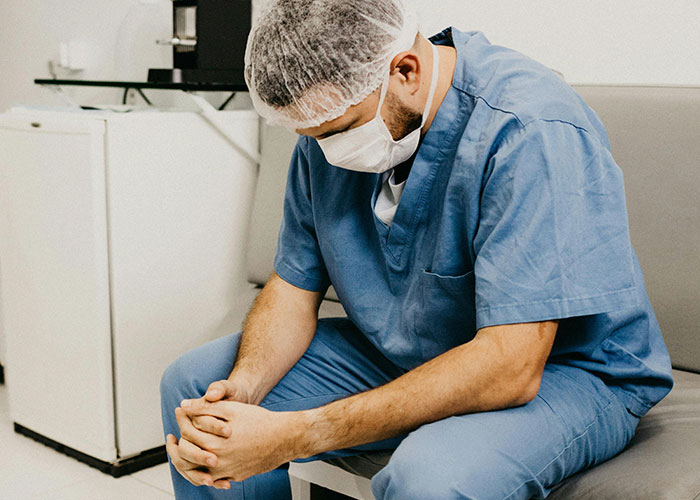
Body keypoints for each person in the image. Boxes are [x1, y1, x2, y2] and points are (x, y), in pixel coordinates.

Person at [160, 0, 674, 498]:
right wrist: (244, 393)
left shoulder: (528, 129)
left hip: (568, 370)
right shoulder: (332, 125)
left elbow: (511, 366)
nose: (327, 151)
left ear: (405, 70)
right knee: (198, 387)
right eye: (311, 136)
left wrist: (297, 433)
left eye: (337, 132)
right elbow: (294, 288)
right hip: (413, 347)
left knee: (430, 478)